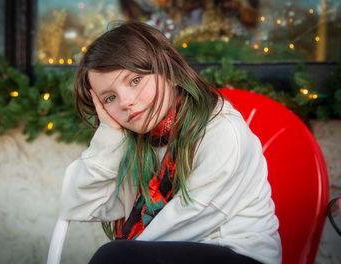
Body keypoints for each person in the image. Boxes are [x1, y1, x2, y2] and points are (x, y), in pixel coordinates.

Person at [59, 21, 282, 264]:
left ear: (170, 72)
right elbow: (80, 204)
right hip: (168, 255)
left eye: (135, 81)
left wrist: (122, 255)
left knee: (113, 256)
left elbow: (191, 218)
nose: (125, 102)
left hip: (236, 254)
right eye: (109, 98)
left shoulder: (222, 131)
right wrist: (109, 134)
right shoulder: (135, 144)